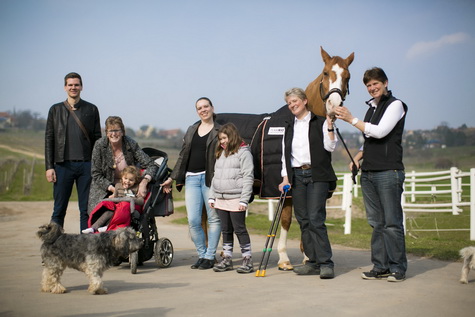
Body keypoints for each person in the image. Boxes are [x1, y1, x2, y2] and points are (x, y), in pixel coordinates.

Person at [334, 67, 408, 282]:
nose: (372, 88)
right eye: (368, 85)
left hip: (388, 171)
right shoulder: (371, 109)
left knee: (392, 223)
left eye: (376, 83)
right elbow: (370, 140)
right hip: (369, 172)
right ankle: (380, 266)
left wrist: (350, 119)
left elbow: (381, 132)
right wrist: (357, 157)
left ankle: (397, 268)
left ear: (385, 82)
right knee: (376, 223)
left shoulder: (396, 105)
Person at [278, 87, 338, 279]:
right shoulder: (289, 126)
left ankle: (326, 263)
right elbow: (284, 155)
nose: (292, 105)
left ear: (304, 101)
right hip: (297, 175)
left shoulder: (320, 121)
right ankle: (311, 262)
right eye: (289, 103)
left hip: (317, 174)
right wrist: (285, 177)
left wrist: (330, 126)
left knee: (315, 219)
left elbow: (331, 146)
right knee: (303, 220)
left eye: (294, 101)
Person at [161, 97, 221, 270]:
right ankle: (202, 255)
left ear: (212, 107)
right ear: (197, 111)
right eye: (199, 108)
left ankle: (210, 256)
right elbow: (182, 155)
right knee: (193, 220)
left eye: (206, 106)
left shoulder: (219, 130)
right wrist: (172, 178)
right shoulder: (191, 129)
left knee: (213, 219)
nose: (203, 110)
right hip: (192, 179)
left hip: (210, 179)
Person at [45, 72, 101, 232]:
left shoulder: (91, 109)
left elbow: (98, 140)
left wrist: (98, 165)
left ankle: (86, 248)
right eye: (70, 85)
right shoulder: (55, 110)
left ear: (81, 87)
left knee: (86, 210)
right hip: (62, 166)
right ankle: (53, 247)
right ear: (65, 87)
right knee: (59, 209)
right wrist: (49, 167)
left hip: (87, 166)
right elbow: (49, 139)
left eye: (76, 84)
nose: (73, 87)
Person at [87, 116, 157, 231]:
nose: (114, 134)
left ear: (122, 132)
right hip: (103, 188)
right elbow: (96, 173)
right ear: (106, 132)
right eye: (111, 130)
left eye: (117, 130)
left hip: (127, 188)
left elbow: (151, 164)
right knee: (100, 211)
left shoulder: (130, 144)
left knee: (123, 210)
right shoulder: (99, 145)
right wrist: (113, 189)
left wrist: (144, 181)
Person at [208, 123, 255, 273]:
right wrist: (212, 196)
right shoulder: (221, 153)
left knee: (239, 229)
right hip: (221, 198)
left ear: (232, 136)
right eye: (220, 139)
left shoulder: (243, 153)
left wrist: (244, 199)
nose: (222, 141)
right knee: (226, 230)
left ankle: (247, 259)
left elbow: (248, 176)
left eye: (224, 138)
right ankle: (227, 258)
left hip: (236, 198)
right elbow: (215, 176)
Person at [83, 165, 144, 234]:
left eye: (131, 180)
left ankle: (108, 226)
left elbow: (141, 201)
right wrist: (111, 198)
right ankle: (93, 227)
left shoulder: (136, 188)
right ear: (122, 177)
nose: (127, 181)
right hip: (118, 207)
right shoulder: (118, 186)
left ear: (135, 181)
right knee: (109, 212)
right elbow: (115, 197)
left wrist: (132, 199)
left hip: (130, 210)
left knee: (119, 210)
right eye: (125, 178)